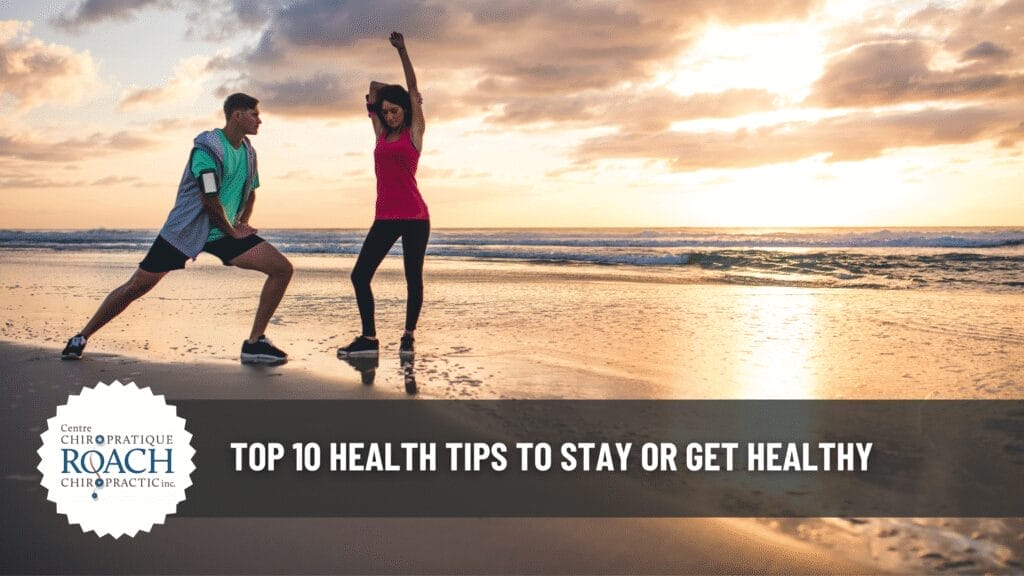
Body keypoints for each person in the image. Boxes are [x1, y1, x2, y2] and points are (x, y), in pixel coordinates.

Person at [61, 93, 293, 365]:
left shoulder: (248, 153)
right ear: (236, 115)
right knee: (137, 286)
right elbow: (209, 197)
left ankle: (254, 343)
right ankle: (82, 337)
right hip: (186, 230)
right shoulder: (207, 150)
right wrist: (232, 230)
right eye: (254, 114)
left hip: (222, 231)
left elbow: (250, 191)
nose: (260, 120)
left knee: (281, 268)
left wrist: (240, 223)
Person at [338, 32, 429, 359]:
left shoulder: (414, 133)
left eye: (395, 111)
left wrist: (402, 51)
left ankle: (408, 335)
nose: (389, 116)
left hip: (415, 217)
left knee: (412, 278)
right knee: (360, 276)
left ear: (405, 110)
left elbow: (413, 88)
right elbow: (374, 87)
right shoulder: (380, 134)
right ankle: (369, 337)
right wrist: (385, 96)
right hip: (385, 218)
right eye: (385, 111)